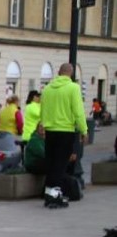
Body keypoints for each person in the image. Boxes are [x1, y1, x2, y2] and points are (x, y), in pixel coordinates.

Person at [40, 62, 88, 207]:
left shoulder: (47, 88)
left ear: (59, 72)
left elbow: (44, 109)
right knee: (60, 165)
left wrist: (43, 124)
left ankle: (49, 193)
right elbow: (78, 111)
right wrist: (84, 130)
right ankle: (55, 195)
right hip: (65, 130)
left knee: (51, 163)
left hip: (50, 131)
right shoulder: (73, 88)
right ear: (71, 74)